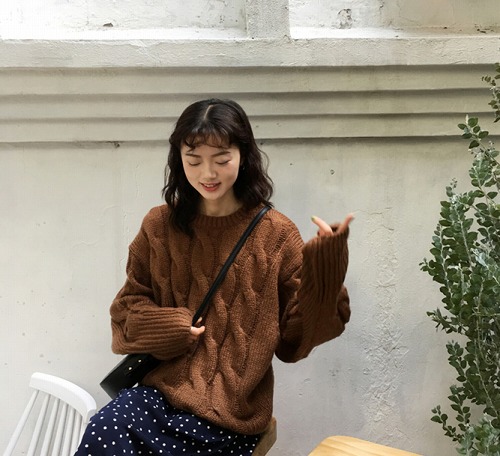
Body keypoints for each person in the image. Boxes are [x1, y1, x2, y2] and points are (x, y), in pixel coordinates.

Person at [75, 98, 353, 456]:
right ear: (179, 159)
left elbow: (295, 341)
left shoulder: (277, 235)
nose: (207, 173)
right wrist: (172, 327)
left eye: (221, 160)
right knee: (104, 429)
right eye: (194, 160)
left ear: (243, 155)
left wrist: (325, 273)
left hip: (231, 414)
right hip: (158, 396)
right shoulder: (159, 226)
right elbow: (124, 315)